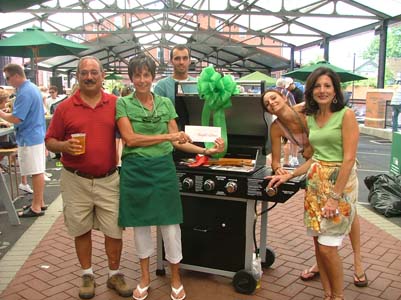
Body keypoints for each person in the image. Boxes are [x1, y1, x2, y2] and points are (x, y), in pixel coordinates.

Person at [116, 54, 224, 300]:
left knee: (171, 226)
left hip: (163, 169)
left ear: (153, 77)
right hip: (135, 169)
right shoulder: (123, 103)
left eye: (146, 75)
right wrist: (167, 137)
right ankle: (144, 278)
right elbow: (130, 139)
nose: (142, 80)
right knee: (140, 226)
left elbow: (179, 141)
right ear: (132, 78)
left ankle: (175, 277)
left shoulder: (165, 103)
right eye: (137, 75)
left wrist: (205, 150)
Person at [267, 67, 360, 300]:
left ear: (335, 90)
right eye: (317, 86)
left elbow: (348, 159)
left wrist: (334, 197)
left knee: (329, 247)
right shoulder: (314, 116)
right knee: (319, 244)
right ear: (311, 91)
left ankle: (338, 296)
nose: (322, 90)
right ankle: (328, 294)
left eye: (327, 86)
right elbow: (316, 157)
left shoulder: (345, 115)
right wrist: (289, 175)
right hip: (315, 184)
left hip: (339, 185)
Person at [45, 56, 132, 299]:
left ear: (102, 76)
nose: (89, 77)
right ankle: (87, 274)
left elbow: (131, 132)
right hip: (75, 179)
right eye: (84, 73)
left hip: (109, 178)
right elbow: (49, 141)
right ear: (78, 76)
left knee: (114, 229)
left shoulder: (116, 103)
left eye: (94, 72)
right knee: (80, 228)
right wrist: (64, 146)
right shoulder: (64, 108)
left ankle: (114, 273)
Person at [1, 64, 46, 217]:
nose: (7, 82)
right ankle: (39, 202)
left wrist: (1, 113)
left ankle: (36, 206)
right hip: (35, 134)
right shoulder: (31, 88)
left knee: (35, 171)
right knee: (37, 170)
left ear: (16, 76)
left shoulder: (25, 92)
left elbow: (17, 118)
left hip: (29, 136)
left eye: (8, 78)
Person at [154, 45, 198, 130]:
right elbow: (157, 115)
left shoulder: (198, 84)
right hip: (169, 135)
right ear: (171, 61)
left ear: (189, 61)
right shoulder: (161, 86)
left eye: (185, 58)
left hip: (195, 132)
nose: (181, 62)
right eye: (177, 58)